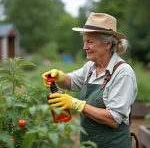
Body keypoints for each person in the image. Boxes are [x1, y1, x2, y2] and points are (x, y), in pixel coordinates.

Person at [42, 12, 137, 148]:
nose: (85, 47)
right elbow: (71, 82)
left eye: (90, 42)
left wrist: (76, 104)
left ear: (108, 44)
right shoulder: (91, 67)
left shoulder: (123, 73)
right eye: (84, 42)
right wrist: (59, 77)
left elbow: (113, 119)